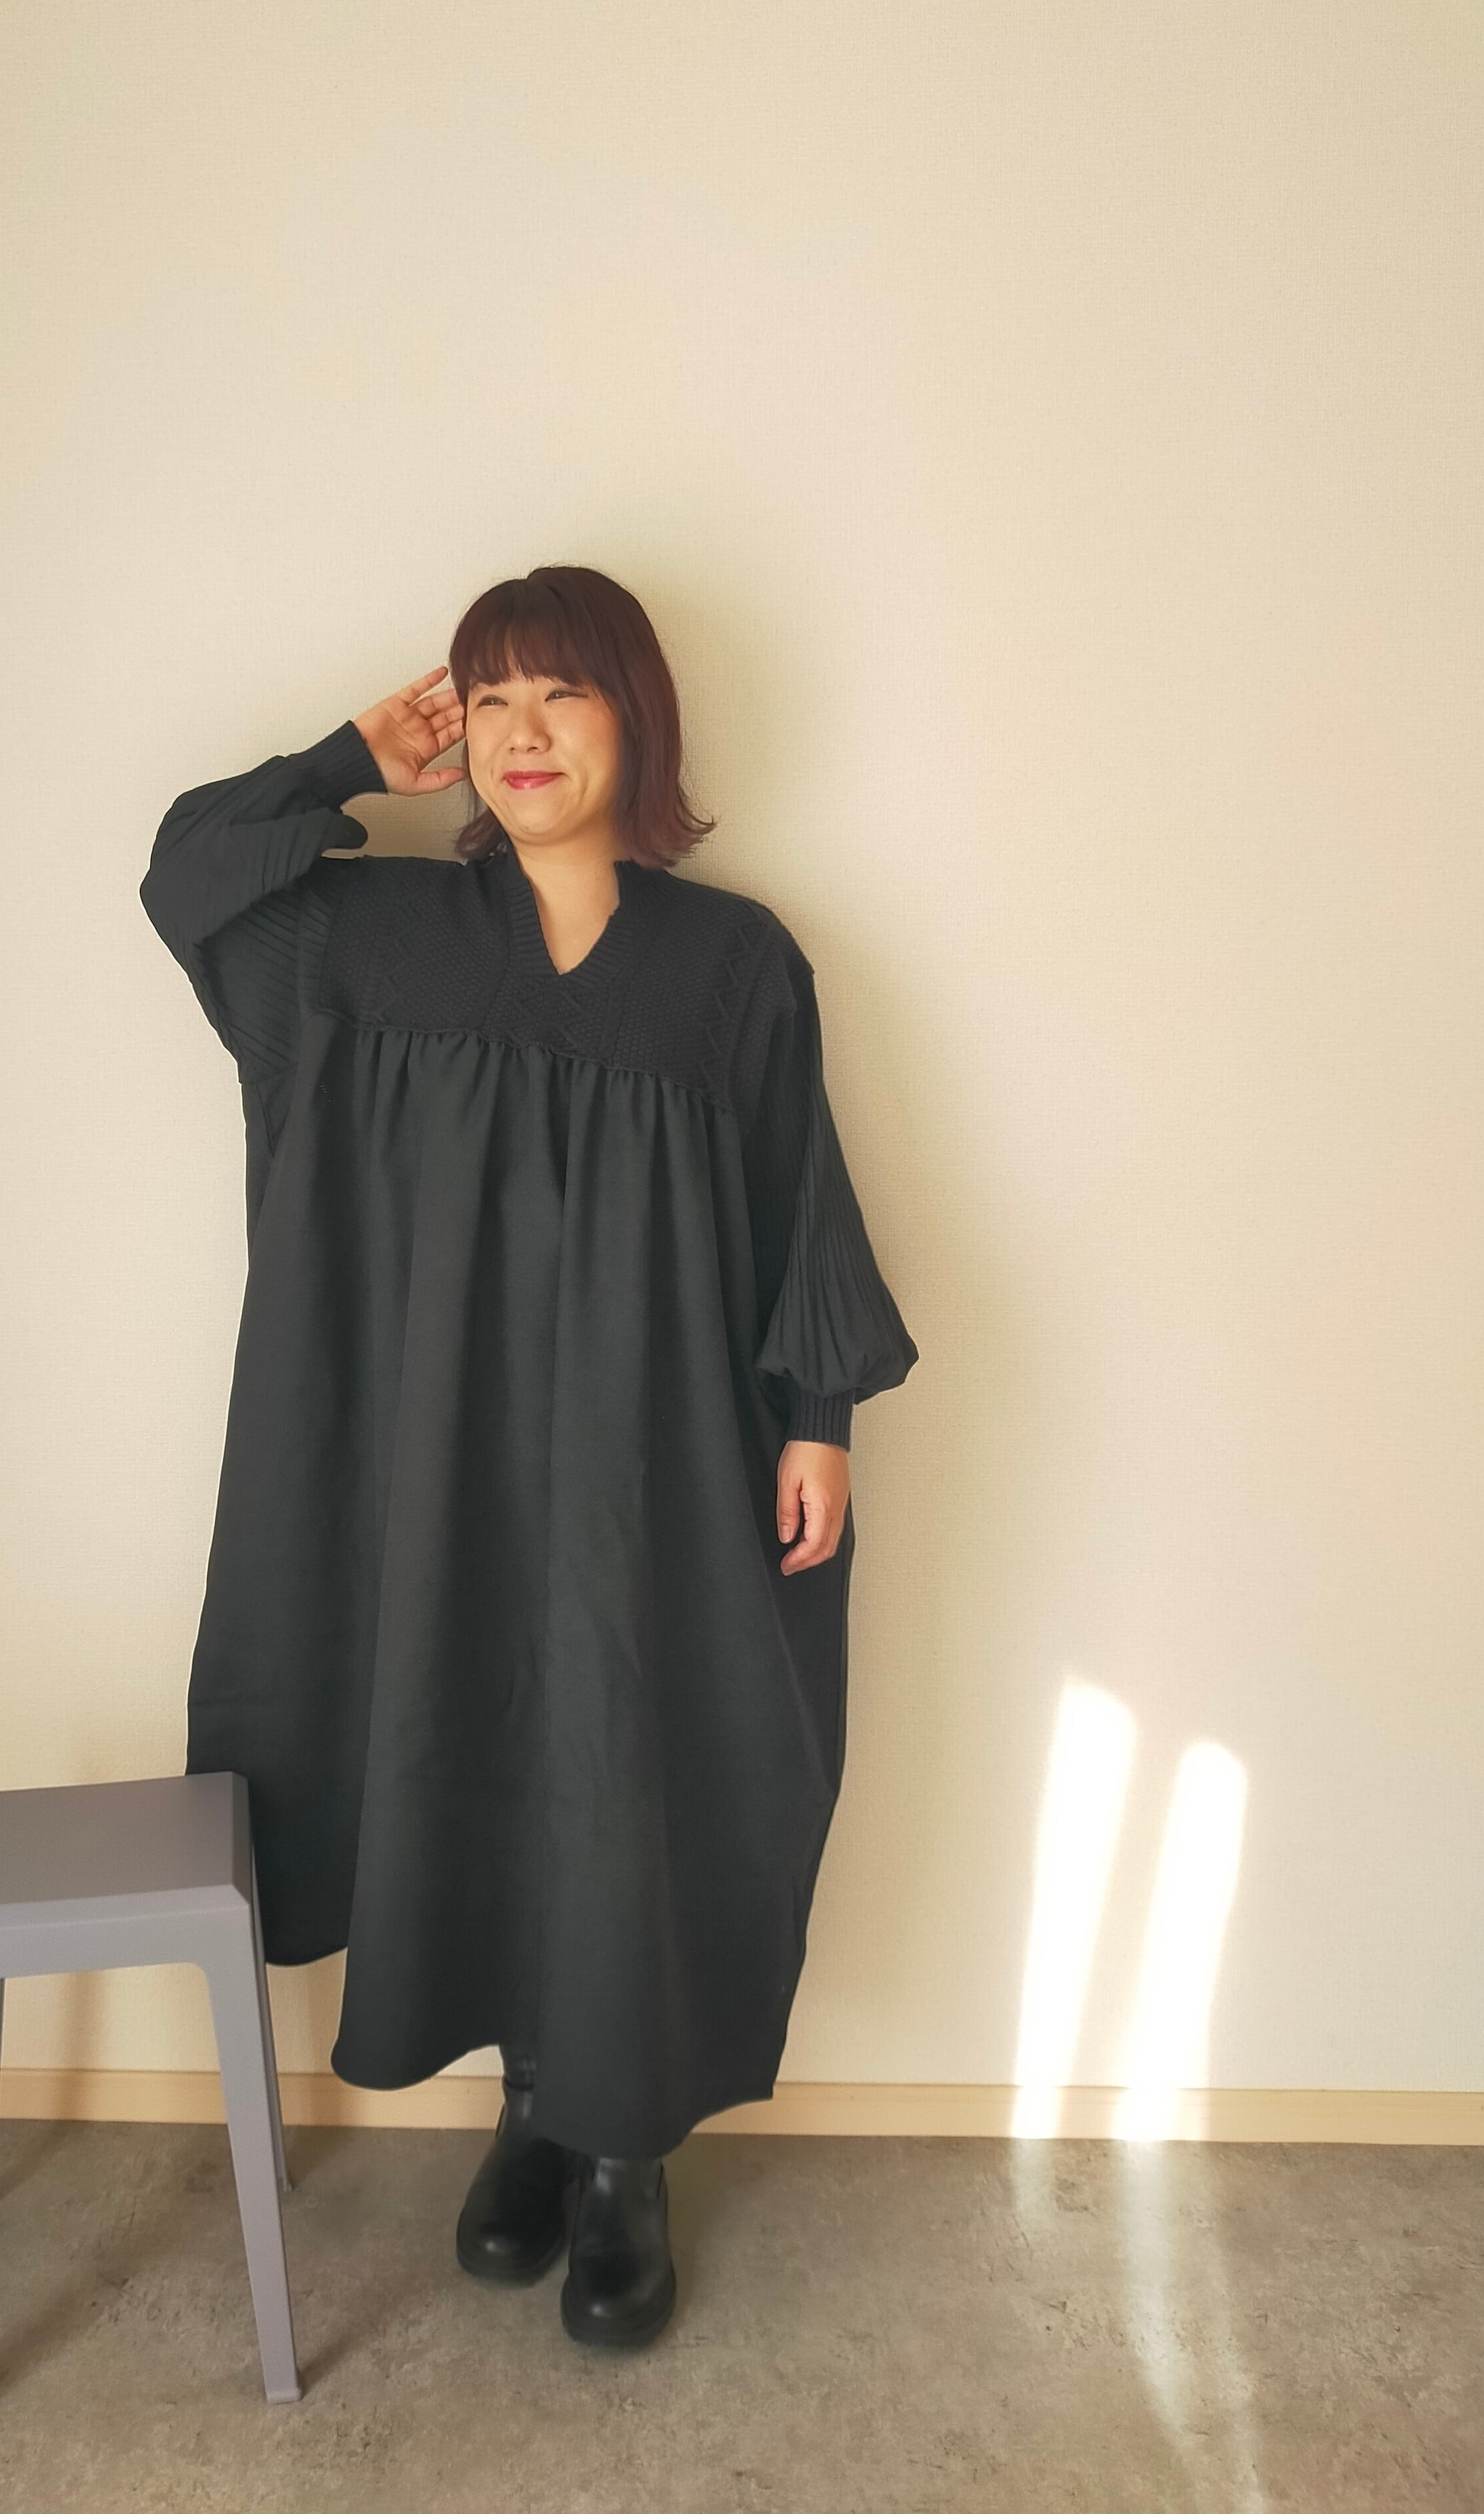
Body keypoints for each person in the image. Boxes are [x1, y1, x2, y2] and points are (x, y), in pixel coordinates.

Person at [141, 564, 918, 2350]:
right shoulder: (368, 940)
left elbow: (797, 1194)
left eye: (559, 693)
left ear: (636, 719)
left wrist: (818, 1417)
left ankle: (624, 2147)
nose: (519, 733)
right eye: (487, 698)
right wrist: (347, 757)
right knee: (468, 1753)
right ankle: (529, 2107)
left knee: (632, 1770)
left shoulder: (730, 968)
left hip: (659, 1465)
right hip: (436, 1464)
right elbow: (187, 874)